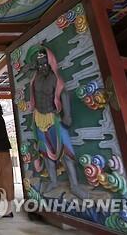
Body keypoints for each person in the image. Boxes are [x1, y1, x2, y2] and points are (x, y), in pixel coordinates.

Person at [25, 44, 88, 199]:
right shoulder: (35, 78)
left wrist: (67, 115)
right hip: (39, 118)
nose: (43, 67)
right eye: (40, 64)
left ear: (51, 62)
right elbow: (27, 72)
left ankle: (74, 185)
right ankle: (53, 181)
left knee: (66, 152)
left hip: (54, 118)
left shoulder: (56, 79)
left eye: (45, 63)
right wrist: (32, 65)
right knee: (46, 153)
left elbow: (64, 95)